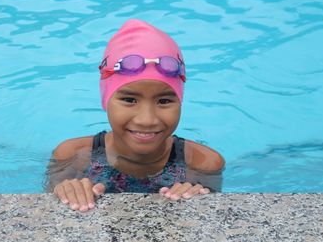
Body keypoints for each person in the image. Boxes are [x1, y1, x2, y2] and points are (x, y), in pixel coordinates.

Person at [46, 19, 224, 212]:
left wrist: (198, 197)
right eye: (130, 100)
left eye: (164, 101)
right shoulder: (74, 156)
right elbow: (45, 212)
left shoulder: (202, 163)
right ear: (106, 99)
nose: (147, 120)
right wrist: (64, 191)